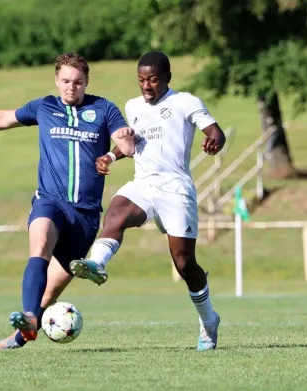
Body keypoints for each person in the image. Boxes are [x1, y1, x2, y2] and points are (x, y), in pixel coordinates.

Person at [0, 52, 135, 350]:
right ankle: (27, 317)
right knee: (39, 244)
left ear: (87, 82)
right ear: (56, 80)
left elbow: (126, 144)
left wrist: (124, 141)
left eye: (78, 82)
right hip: (50, 202)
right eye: (65, 81)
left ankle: (22, 334)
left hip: (86, 216)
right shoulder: (44, 106)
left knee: (48, 296)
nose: (71, 87)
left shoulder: (104, 108)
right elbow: (2, 118)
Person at [69, 51, 227, 351]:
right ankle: (96, 263)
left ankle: (208, 320)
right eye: (141, 80)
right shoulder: (133, 106)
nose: (146, 85)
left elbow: (215, 133)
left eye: (153, 79)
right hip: (144, 183)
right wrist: (111, 155)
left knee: (184, 263)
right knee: (116, 211)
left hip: (176, 188)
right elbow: (134, 144)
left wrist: (214, 141)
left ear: (168, 77)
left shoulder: (185, 102)